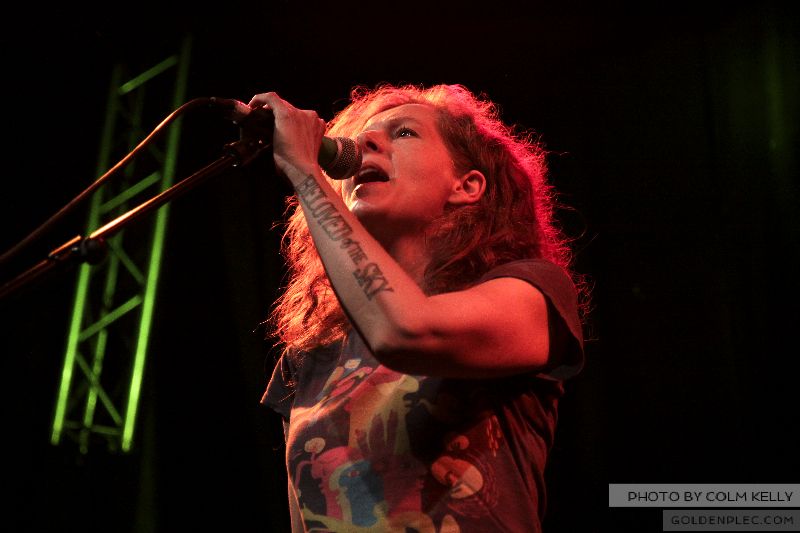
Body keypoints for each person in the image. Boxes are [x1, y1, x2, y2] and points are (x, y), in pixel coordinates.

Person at [255, 83, 587, 533]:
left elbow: (406, 332)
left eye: (404, 133)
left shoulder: (531, 291)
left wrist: (303, 169)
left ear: (466, 186)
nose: (365, 142)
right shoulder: (311, 351)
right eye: (366, 134)